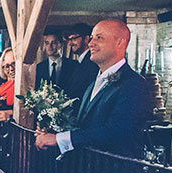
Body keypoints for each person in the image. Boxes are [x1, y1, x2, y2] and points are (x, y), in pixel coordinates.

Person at [35, 19, 152, 159]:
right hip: (89, 169)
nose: (91, 43)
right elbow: (85, 125)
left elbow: (116, 132)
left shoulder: (134, 84)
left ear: (120, 42)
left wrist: (60, 139)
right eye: (91, 38)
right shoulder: (93, 83)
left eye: (99, 38)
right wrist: (54, 131)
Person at [35, 30, 79, 96]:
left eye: (54, 43)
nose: (49, 46)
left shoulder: (73, 65)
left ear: (61, 44)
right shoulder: (39, 68)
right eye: (47, 43)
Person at [66, 23, 98, 98]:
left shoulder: (92, 62)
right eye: (69, 40)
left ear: (86, 39)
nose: (70, 43)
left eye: (74, 39)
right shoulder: (77, 63)